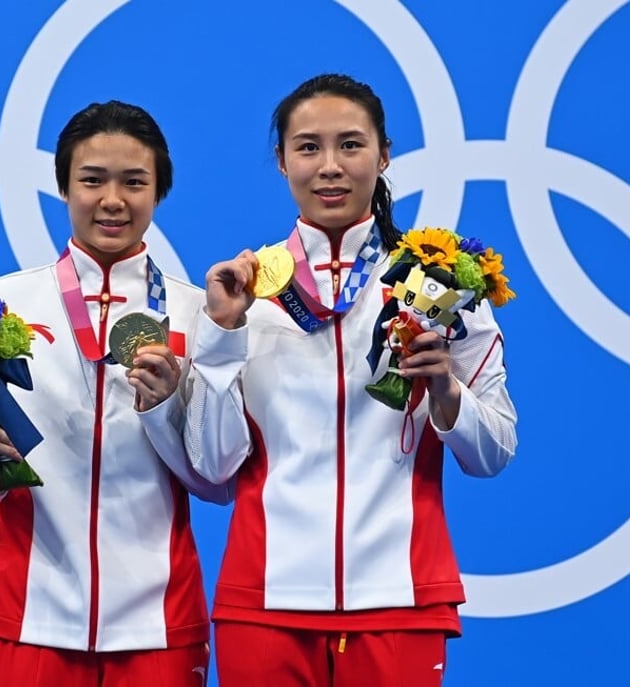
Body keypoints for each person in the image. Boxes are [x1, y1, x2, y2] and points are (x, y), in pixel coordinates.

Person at [184, 73, 518, 686]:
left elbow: (493, 451)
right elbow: (211, 466)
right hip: (265, 599)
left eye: (351, 145)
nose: (330, 166)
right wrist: (220, 336)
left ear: (385, 155)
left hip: (401, 597)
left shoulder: (442, 286)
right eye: (308, 147)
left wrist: (447, 393)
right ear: (282, 162)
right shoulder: (242, 292)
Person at [0, 100, 229, 687]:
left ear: (158, 193)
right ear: (64, 187)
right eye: (92, 180)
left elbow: (218, 482)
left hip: (159, 623)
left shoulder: (197, 315)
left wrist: (166, 407)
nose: (112, 200)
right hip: (29, 615)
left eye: (133, 182)